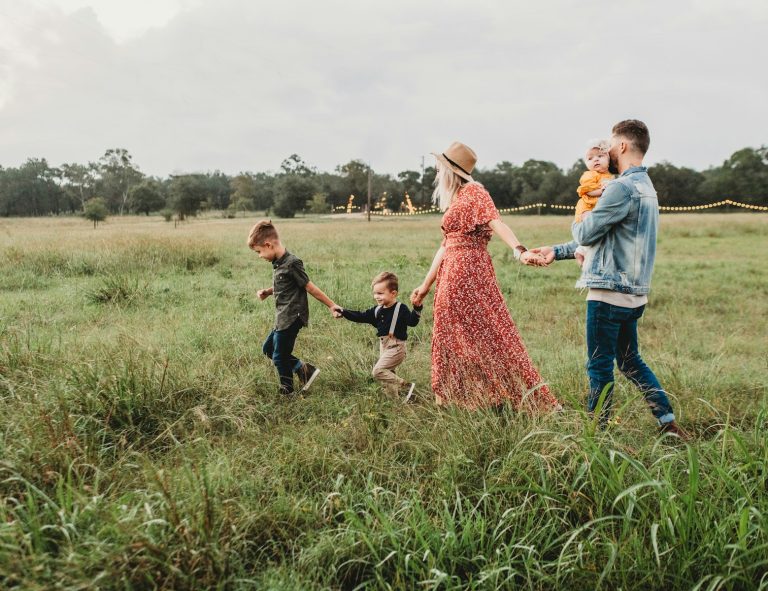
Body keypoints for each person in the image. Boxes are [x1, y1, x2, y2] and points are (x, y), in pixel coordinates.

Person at [529, 120, 687, 437]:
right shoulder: (647, 188)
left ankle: (597, 435)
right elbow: (607, 240)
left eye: (612, 145)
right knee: (630, 362)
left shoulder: (620, 187)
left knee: (599, 366)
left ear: (624, 146)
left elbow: (587, 232)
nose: (608, 151)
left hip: (608, 294)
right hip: (634, 294)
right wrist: (557, 251)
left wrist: (583, 216)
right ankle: (667, 423)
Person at [410, 141, 560, 412]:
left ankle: (506, 395)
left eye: (439, 167)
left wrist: (519, 251)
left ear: (450, 170)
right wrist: (425, 285)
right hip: (451, 272)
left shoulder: (474, 192)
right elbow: (445, 245)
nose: (435, 172)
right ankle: (464, 397)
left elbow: (496, 222)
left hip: (468, 272)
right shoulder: (456, 198)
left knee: (489, 332)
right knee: (451, 334)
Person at [248, 220, 339, 396]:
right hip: (282, 317)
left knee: (279, 356)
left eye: (259, 252)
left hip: (292, 317)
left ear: (268, 245)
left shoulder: (292, 263)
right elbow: (285, 286)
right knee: (268, 349)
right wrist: (268, 291)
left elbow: (309, 287)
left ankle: (287, 390)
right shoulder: (279, 263)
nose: (259, 256)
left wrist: (332, 305)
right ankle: (304, 370)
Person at [333, 271, 422, 401]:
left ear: (393, 293)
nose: (376, 296)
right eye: (375, 293)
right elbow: (360, 316)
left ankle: (406, 386)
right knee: (388, 374)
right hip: (384, 346)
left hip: (397, 347)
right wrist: (343, 311)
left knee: (378, 371)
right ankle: (394, 401)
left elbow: (412, 322)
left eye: (380, 293)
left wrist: (417, 308)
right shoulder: (377, 310)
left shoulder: (400, 308)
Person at [574, 139, 614, 269]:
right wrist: (602, 191)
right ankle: (583, 252)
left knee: (599, 231)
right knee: (591, 226)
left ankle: (582, 250)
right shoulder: (589, 175)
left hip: (598, 207)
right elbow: (588, 191)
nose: (595, 160)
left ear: (609, 159)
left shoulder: (610, 176)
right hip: (587, 206)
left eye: (600, 156)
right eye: (590, 158)